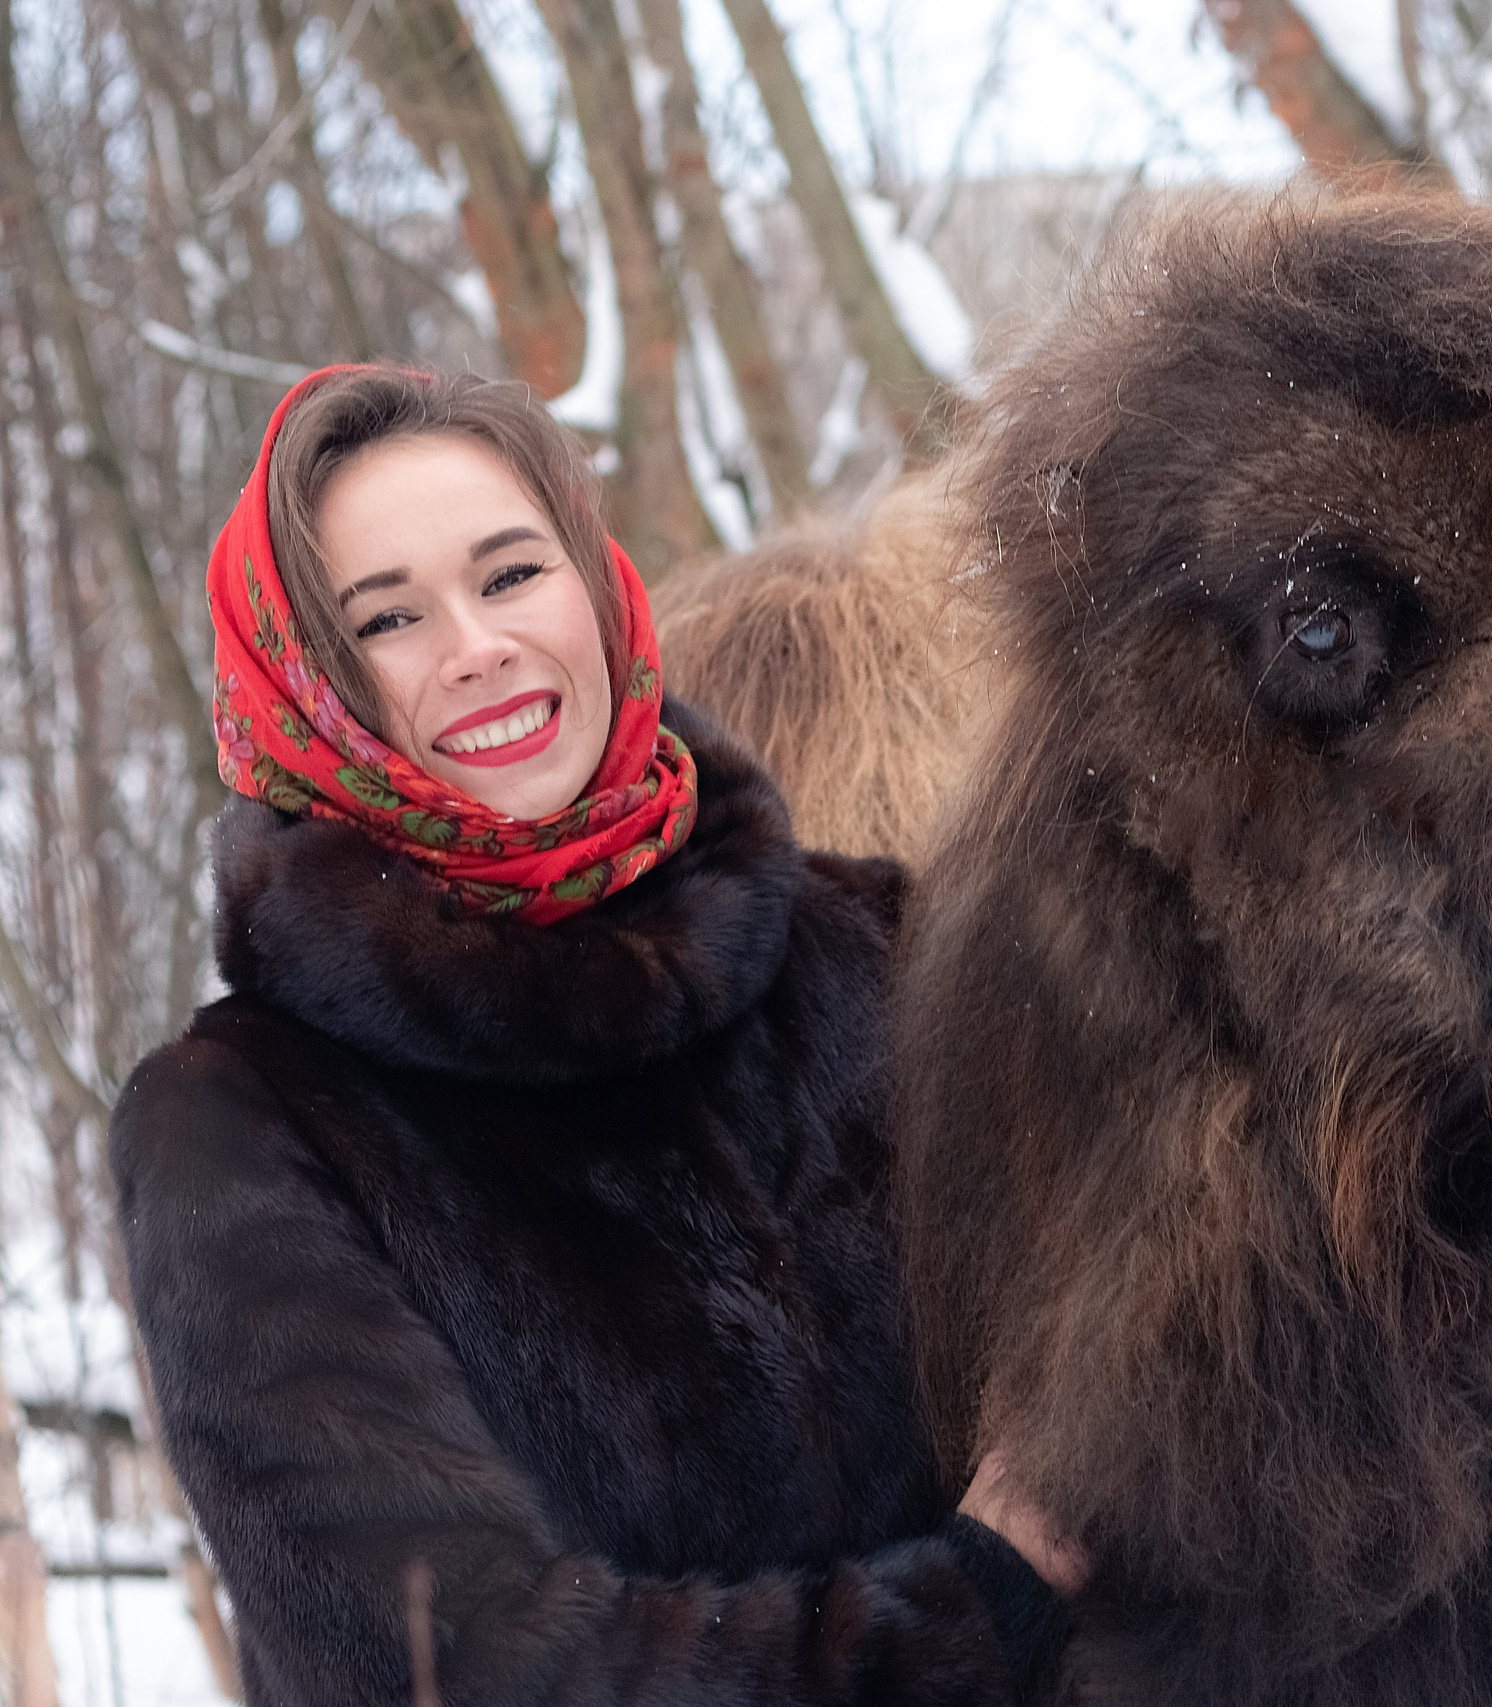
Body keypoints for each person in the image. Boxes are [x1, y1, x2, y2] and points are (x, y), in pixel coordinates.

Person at [110, 365, 1077, 1706]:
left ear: (597, 585)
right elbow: (455, 1661)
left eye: (511, 573)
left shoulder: (883, 946)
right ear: (309, 693)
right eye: (387, 617)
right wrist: (978, 1604)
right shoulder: (237, 1125)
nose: (477, 645)